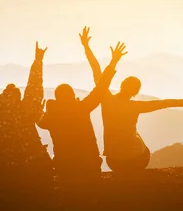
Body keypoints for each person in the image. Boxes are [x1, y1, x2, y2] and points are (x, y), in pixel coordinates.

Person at [79, 26, 183, 173]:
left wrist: (88, 48)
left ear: (121, 85)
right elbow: (162, 104)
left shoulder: (106, 99)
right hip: (137, 160)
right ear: (136, 92)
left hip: (114, 162)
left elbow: (97, 72)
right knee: (142, 146)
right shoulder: (136, 106)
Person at [38, 40, 127, 182]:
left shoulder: (51, 116)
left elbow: (40, 122)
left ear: (57, 98)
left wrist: (40, 110)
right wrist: (113, 62)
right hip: (89, 165)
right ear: (73, 95)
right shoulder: (82, 107)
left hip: (65, 168)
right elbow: (101, 88)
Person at [0, 42, 52, 185]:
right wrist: (38, 61)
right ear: (18, 97)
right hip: (37, 166)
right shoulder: (25, 109)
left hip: (10, 169)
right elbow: (34, 86)